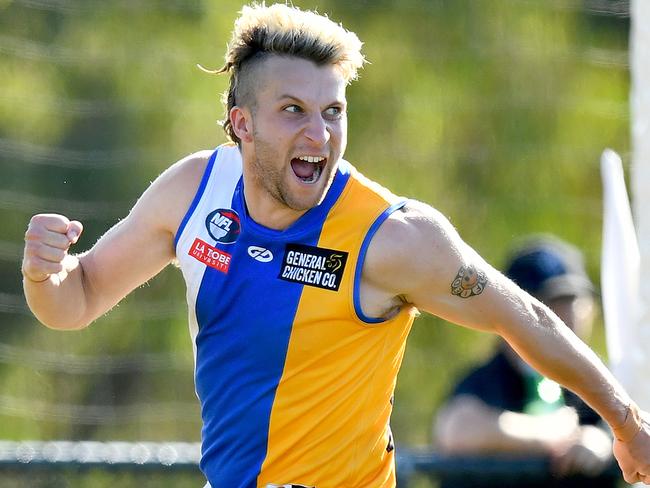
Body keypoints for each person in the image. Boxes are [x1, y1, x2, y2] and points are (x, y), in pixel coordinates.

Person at [20, 4, 649, 488]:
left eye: (334, 111)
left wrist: (625, 420)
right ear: (242, 122)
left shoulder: (395, 236)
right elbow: (77, 299)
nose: (319, 133)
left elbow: (526, 316)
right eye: (293, 110)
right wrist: (43, 275)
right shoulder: (194, 189)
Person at [435, 236, 617, 487]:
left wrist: (601, 442)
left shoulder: (600, 379)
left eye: (572, 301)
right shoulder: (491, 378)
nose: (567, 315)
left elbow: (625, 426)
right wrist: (549, 433)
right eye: (548, 303)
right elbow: (456, 430)